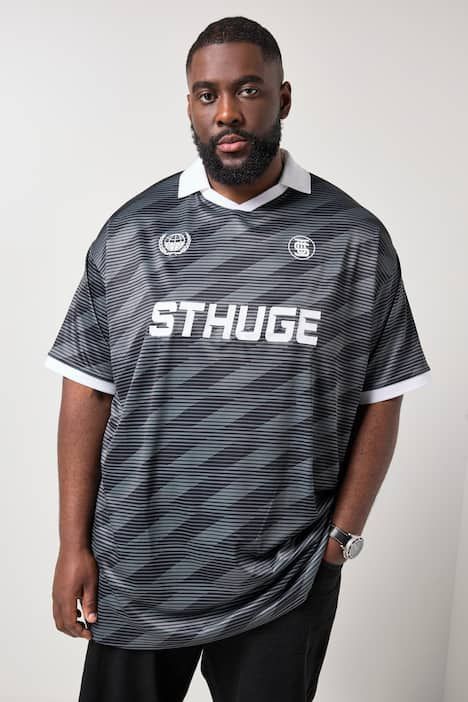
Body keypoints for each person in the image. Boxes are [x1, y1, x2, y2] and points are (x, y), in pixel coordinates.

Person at [44, 15, 432, 702]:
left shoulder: (352, 239)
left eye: (247, 90)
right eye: (207, 94)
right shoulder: (133, 232)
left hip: (285, 576)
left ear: (283, 97)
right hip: (137, 565)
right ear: (190, 106)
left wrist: (342, 537)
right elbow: (88, 390)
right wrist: (73, 544)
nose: (227, 112)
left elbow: (382, 394)